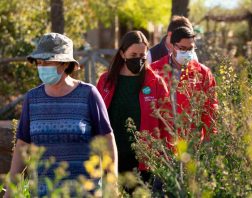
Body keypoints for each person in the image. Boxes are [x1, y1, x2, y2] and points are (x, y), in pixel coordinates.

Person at [4, 33, 118, 197]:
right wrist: (10, 191)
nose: (41, 66)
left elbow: (107, 139)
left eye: (47, 61)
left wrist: (112, 185)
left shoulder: (88, 95)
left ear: (65, 64)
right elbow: (23, 146)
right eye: (39, 62)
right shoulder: (32, 98)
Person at [96, 31, 170, 176]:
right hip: (111, 157)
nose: (138, 60)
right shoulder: (106, 81)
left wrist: (165, 155)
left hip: (144, 160)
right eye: (133, 56)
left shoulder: (155, 82)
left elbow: (167, 121)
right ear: (123, 54)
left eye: (142, 56)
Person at [151, 26, 218, 142]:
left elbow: (210, 108)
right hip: (163, 141)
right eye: (182, 48)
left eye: (190, 48)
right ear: (172, 46)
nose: (187, 52)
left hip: (192, 141)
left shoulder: (203, 72)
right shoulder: (155, 69)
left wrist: (210, 140)